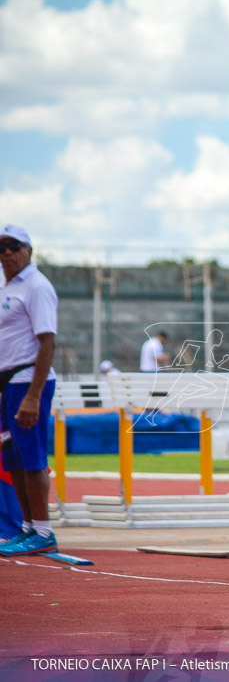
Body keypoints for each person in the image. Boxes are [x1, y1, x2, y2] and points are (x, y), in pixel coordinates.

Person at [0, 224, 59, 556]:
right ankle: (26, 527)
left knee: (32, 459)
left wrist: (34, 395)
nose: (6, 253)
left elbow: (47, 341)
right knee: (14, 460)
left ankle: (43, 530)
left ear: (28, 250)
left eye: (13, 245)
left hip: (28, 381)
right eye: (1, 247)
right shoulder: (5, 286)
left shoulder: (36, 286)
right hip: (7, 384)